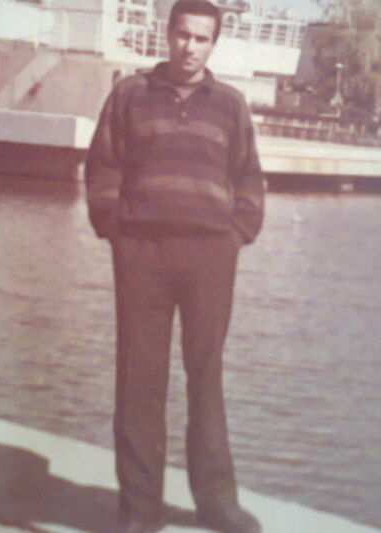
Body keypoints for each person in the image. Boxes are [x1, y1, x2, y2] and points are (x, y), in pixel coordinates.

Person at [85, 1, 265, 531]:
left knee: (205, 377)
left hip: (210, 256)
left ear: (213, 44)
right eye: (183, 35)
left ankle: (217, 503)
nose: (191, 47)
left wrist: (237, 233)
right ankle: (139, 510)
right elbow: (103, 166)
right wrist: (115, 230)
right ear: (168, 35)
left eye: (202, 38)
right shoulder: (130, 94)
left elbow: (249, 176)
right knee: (139, 379)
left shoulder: (230, 104)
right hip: (143, 253)